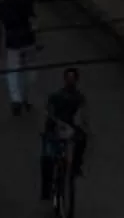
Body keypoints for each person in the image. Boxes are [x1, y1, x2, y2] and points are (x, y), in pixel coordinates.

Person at [39, 66, 91, 208]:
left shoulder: (79, 98)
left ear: (76, 80)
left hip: (70, 129)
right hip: (54, 129)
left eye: (73, 78)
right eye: (68, 78)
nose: (70, 81)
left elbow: (83, 115)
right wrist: (57, 123)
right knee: (47, 160)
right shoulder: (55, 96)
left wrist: (82, 127)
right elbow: (48, 112)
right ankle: (47, 191)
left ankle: (76, 167)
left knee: (83, 140)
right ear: (64, 80)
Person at [0, 0, 39, 115]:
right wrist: (38, 41)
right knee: (29, 72)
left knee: (13, 72)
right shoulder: (27, 2)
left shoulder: (3, 4)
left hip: (13, 42)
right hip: (28, 41)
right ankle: (25, 98)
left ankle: (17, 100)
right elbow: (33, 23)